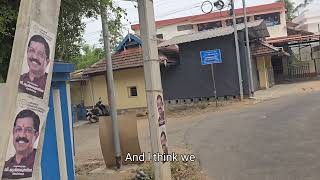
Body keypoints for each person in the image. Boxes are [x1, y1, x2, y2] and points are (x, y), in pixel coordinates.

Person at [2, 109, 40, 179]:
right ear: (13, 132)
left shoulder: (40, 163)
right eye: (18, 129)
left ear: (36, 135)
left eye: (28, 130)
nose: (22, 135)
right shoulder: (4, 167)